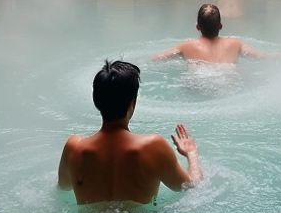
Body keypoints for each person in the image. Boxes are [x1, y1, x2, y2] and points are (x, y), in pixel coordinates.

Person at [57, 60, 203, 205]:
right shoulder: (152, 147)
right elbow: (191, 186)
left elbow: (63, 187)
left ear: (96, 100)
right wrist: (191, 153)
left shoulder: (73, 149)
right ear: (132, 103)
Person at [153, 3, 274, 64]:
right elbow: (262, 57)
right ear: (220, 26)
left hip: (199, 79)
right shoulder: (236, 44)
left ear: (197, 27)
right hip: (227, 77)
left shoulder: (186, 47)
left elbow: (158, 58)